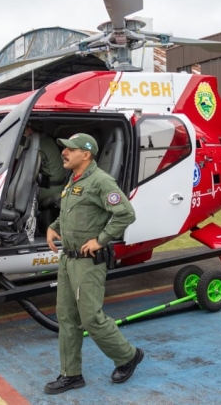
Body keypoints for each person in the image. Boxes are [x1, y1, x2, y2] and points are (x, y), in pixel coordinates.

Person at [45, 133, 144, 395]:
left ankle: (128, 356)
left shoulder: (101, 181)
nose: (64, 153)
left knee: (90, 318)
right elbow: (72, 212)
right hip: (68, 259)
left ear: (86, 154)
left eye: (70, 149)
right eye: (64, 149)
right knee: (67, 318)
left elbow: (126, 213)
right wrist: (53, 227)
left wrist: (101, 240)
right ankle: (71, 374)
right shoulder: (74, 180)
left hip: (88, 262)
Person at [24, 124, 65, 206]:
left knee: (23, 199)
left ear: (30, 129)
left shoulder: (38, 145)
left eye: (25, 129)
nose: (24, 132)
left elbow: (27, 168)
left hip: (50, 188)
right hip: (57, 185)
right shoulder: (47, 140)